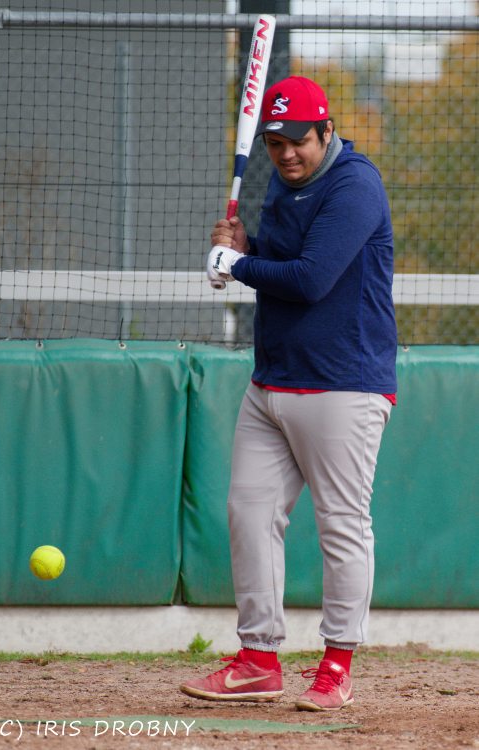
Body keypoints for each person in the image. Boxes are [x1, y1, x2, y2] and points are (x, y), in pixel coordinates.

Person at [180, 76, 397, 711]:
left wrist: (236, 267)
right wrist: (244, 248)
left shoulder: (355, 185)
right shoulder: (283, 181)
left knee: (342, 525)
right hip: (271, 380)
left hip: (343, 384)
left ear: (326, 131)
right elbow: (279, 256)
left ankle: (336, 667)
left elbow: (309, 279)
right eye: (275, 143)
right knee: (248, 513)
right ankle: (258, 659)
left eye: (298, 141)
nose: (286, 154)